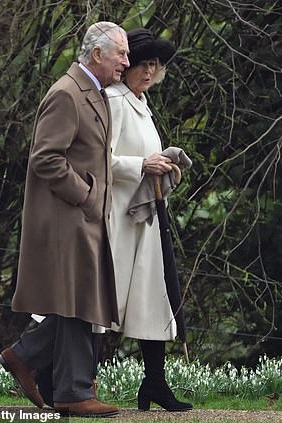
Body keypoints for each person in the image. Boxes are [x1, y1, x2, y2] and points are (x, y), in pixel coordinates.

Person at [0, 21, 129, 417]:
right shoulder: (67, 94)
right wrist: (86, 195)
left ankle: (28, 359)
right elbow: (45, 158)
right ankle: (71, 390)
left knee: (82, 302)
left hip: (83, 219)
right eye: (120, 53)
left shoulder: (93, 92)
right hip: (66, 219)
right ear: (97, 54)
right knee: (78, 303)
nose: (127, 60)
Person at [105, 28, 193, 412]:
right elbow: (102, 159)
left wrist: (165, 166)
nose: (148, 71)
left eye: (154, 66)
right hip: (117, 219)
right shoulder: (112, 101)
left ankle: (155, 383)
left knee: (150, 300)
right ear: (127, 67)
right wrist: (142, 164)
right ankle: (55, 373)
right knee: (102, 304)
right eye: (142, 64)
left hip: (147, 217)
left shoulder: (142, 105)